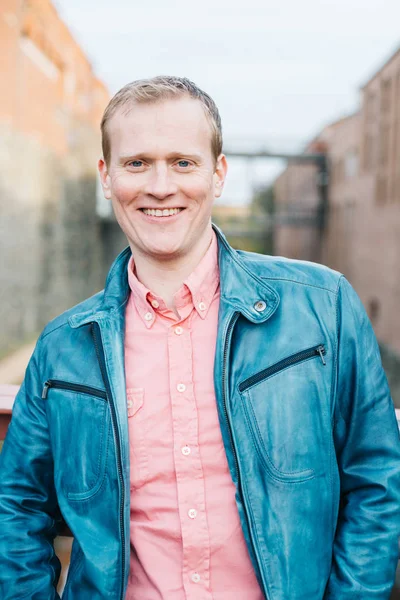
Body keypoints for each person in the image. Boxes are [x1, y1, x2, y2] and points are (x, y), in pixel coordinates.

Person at [0, 76, 399, 600]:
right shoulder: (62, 348)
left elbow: (376, 483)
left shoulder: (325, 306)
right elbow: (18, 508)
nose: (160, 185)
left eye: (183, 163)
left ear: (218, 175)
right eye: (137, 163)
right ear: (106, 176)